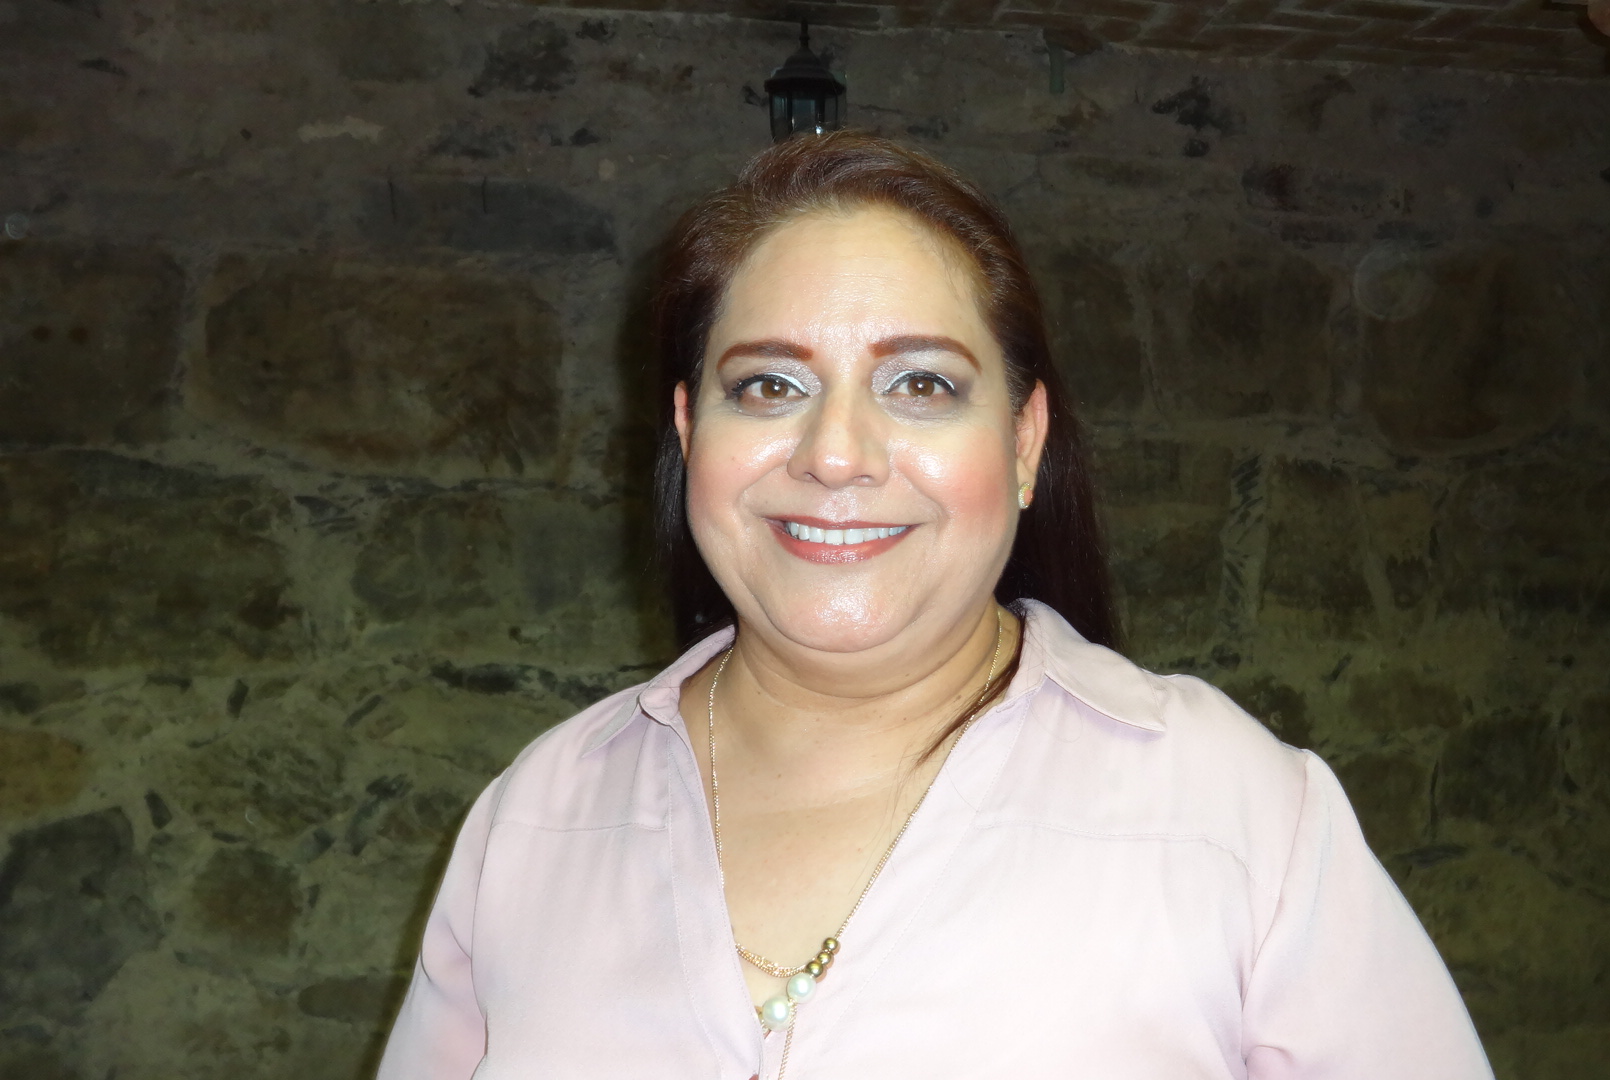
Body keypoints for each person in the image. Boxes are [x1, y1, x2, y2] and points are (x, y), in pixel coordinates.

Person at [377, 131, 1493, 1080]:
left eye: (921, 384)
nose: (836, 454)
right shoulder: (532, 822)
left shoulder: (1238, 817)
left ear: (1024, 443)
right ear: (687, 432)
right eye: (768, 384)